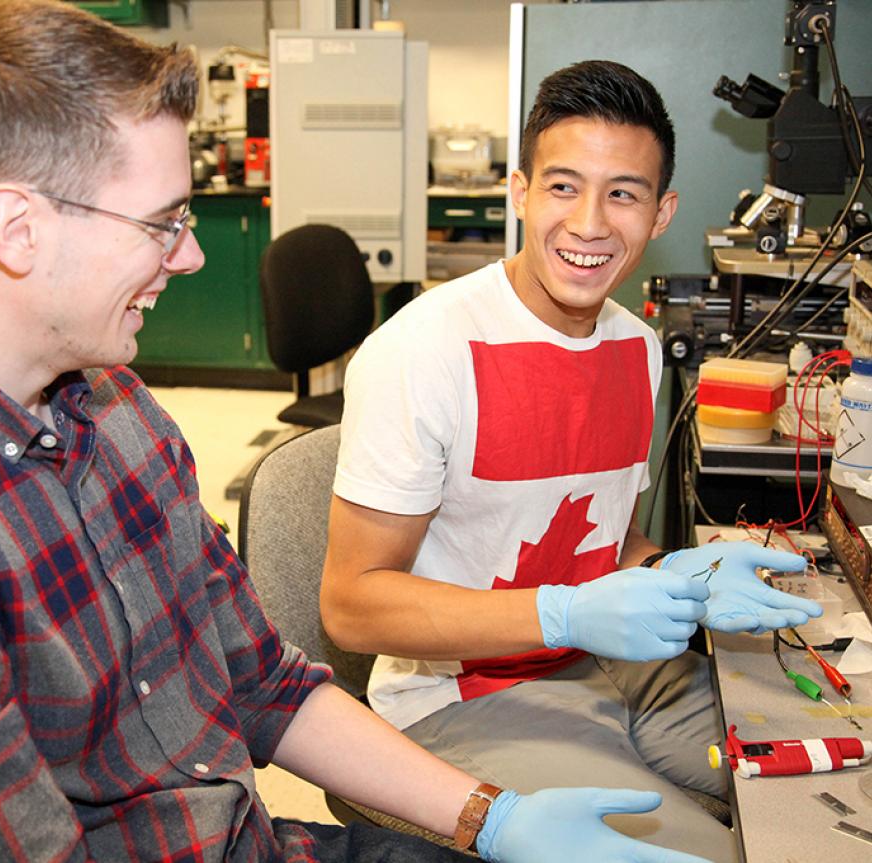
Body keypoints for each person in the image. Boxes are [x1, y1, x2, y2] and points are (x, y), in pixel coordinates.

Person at [0, 3, 716, 861]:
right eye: (163, 222)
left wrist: (490, 818)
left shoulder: (123, 415)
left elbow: (264, 684)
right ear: (19, 229)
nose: (190, 255)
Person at [322, 59, 825, 863]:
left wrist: (688, 573)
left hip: (610, 663)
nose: (590, 223)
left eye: (623, 193)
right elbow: (352, 605)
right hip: (463, 693)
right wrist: (560, 613)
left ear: (661, 213)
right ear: (519, 191)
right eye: (563, 186)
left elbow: (600, 546)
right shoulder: (424, 350)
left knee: (814, 790)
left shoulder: (639, 347)